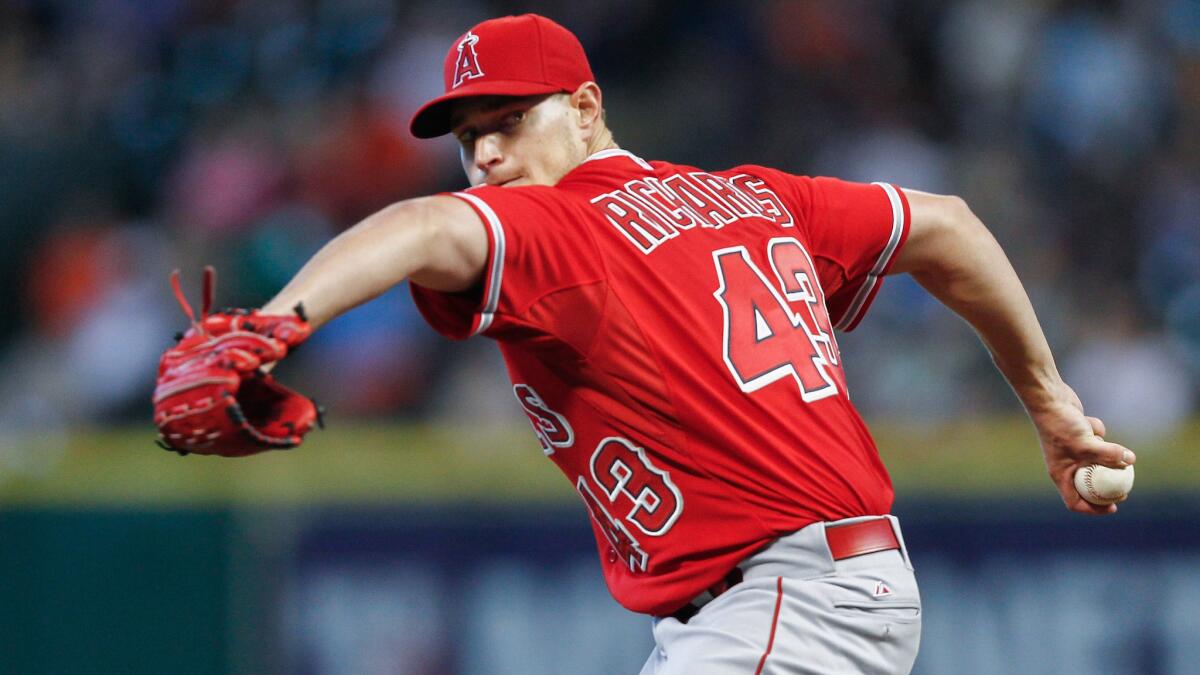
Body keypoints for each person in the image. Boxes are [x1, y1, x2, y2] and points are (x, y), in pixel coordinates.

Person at [189, 14, 1136, 674]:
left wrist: (280, 320)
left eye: (511, 122)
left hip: (785, 600)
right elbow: (948, 225)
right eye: (469, 136)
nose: (485, 157)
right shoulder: (756, 195)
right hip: (804, 598)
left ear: (590, 107)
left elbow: (421, 229)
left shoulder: (567, 228)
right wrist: (1051, 404)